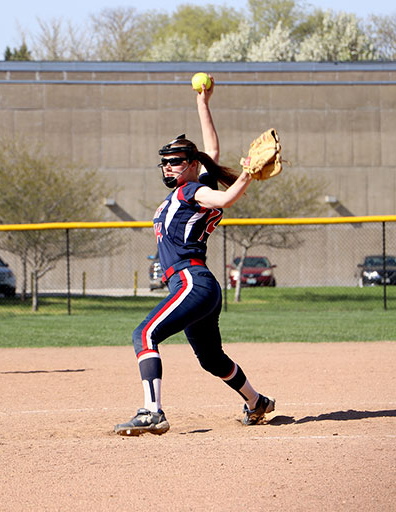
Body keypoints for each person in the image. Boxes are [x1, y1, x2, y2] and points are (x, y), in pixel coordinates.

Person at [114, 75, 275, 436]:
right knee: (211, 359)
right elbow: (211, 153)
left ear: (189, 166)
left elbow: (224, 199)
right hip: (197, 286)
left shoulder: (192, 193)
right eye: (165, 162)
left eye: (174, 161)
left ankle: (152, 411)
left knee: (145, 334)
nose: (168, 167)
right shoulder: (191, 187)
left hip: (190, 280)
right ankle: (257, 401)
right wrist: (203, 103)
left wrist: (247, 174)